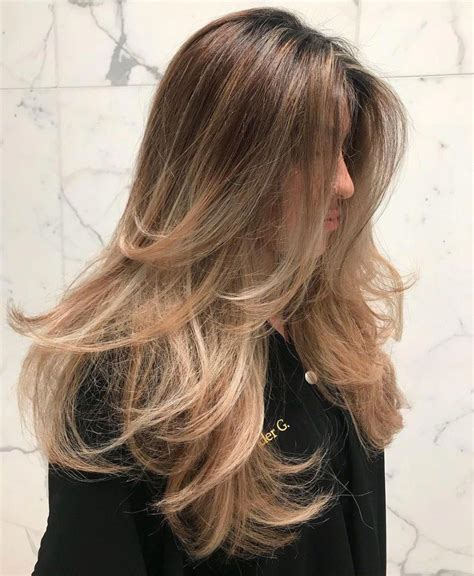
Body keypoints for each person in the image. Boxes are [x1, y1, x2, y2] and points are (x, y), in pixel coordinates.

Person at [7, 6, 415, 575]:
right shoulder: (126, 374)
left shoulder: (326, 326)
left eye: (346, 150)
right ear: (226, 163)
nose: (344, 182)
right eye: (314, 151)